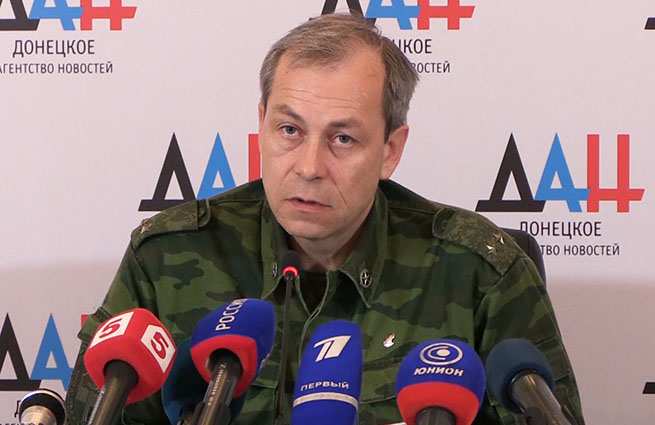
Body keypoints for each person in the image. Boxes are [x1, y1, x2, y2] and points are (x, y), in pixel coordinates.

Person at [65, 13, 585, 425]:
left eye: (343, 138)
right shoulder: (166, 258)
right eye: (290, 130)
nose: (309, 167)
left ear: (390, 150)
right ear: (262, 124)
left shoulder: (479, 273)